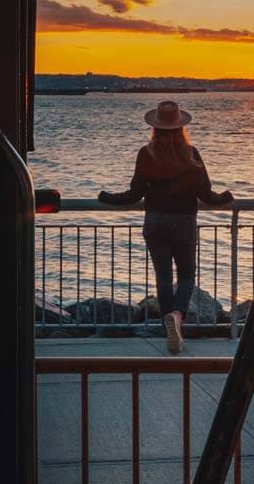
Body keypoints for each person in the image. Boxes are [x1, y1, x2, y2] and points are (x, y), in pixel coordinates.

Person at [97, 100, 233, 354]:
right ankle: (177, 318)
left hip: (156, 222)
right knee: (186, 276)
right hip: (184, 223)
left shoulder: (146, 154)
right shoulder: (191, 154)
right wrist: (225, 197)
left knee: (163, 278)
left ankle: (169, 326)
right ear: (181, 127)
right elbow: (206, 195)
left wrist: (106, 197)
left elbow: (133, 195)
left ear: (155, 128)